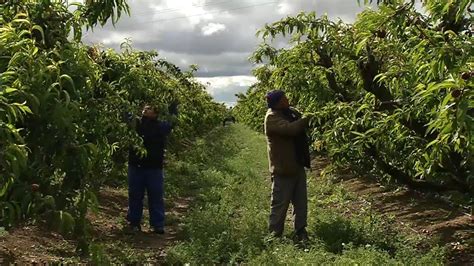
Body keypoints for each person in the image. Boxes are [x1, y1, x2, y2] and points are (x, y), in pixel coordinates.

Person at [264, 90, 311, 243]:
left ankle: (300, 230)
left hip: (296, 165)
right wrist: (306, 119)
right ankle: (274, 235)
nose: (288, 99)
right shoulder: (272, 117)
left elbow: (299, 119)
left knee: (300, 203)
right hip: (282, 169)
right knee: (279, 204)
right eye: (285, 97)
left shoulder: (288, 112)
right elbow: (290, 129)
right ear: (278, 102)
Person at [125, 101, 178, 234]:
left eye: (150, 108)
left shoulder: (160, 126)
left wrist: (173, 108)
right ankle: (134, 223)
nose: (146, 110)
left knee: (155, 196)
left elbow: (172, 123)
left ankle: (158, 224)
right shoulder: (136, 123)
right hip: (136, 166)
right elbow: (125, 115)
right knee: (135, 195)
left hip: (154, 168)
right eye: (145, 108)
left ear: (156, 113)